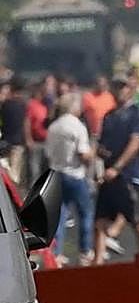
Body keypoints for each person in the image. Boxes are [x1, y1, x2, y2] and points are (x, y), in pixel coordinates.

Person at [93, 78, 139, 264]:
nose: (119, 90)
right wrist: (101, 155)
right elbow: (101, 144)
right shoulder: (109, 116)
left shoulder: (136, 113)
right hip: (109, 175)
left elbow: (135, 143)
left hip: (128, 175)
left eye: (123, 86)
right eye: (116, 86)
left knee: (137, 221)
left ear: (131, 89)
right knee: (100, 221)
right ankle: (98, 261)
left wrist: (117, 167)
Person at [44, 92, 95, 265]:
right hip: (74, 173)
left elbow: (48, 153)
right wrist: (92, 156)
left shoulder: (53, 127)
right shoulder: (77, 126)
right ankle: (85, 250)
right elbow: (83, 154)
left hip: (57, 172)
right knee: (85, 212)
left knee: (60, 215)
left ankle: (57, 253)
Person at [0, 78, 32, 189]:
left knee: (6, 168)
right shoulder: (23, 105)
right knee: (15, 173)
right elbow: (26, 123)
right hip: (18, 143)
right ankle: (13, 194)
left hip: (5, 142)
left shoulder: (5, 104)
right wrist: (28, 139)